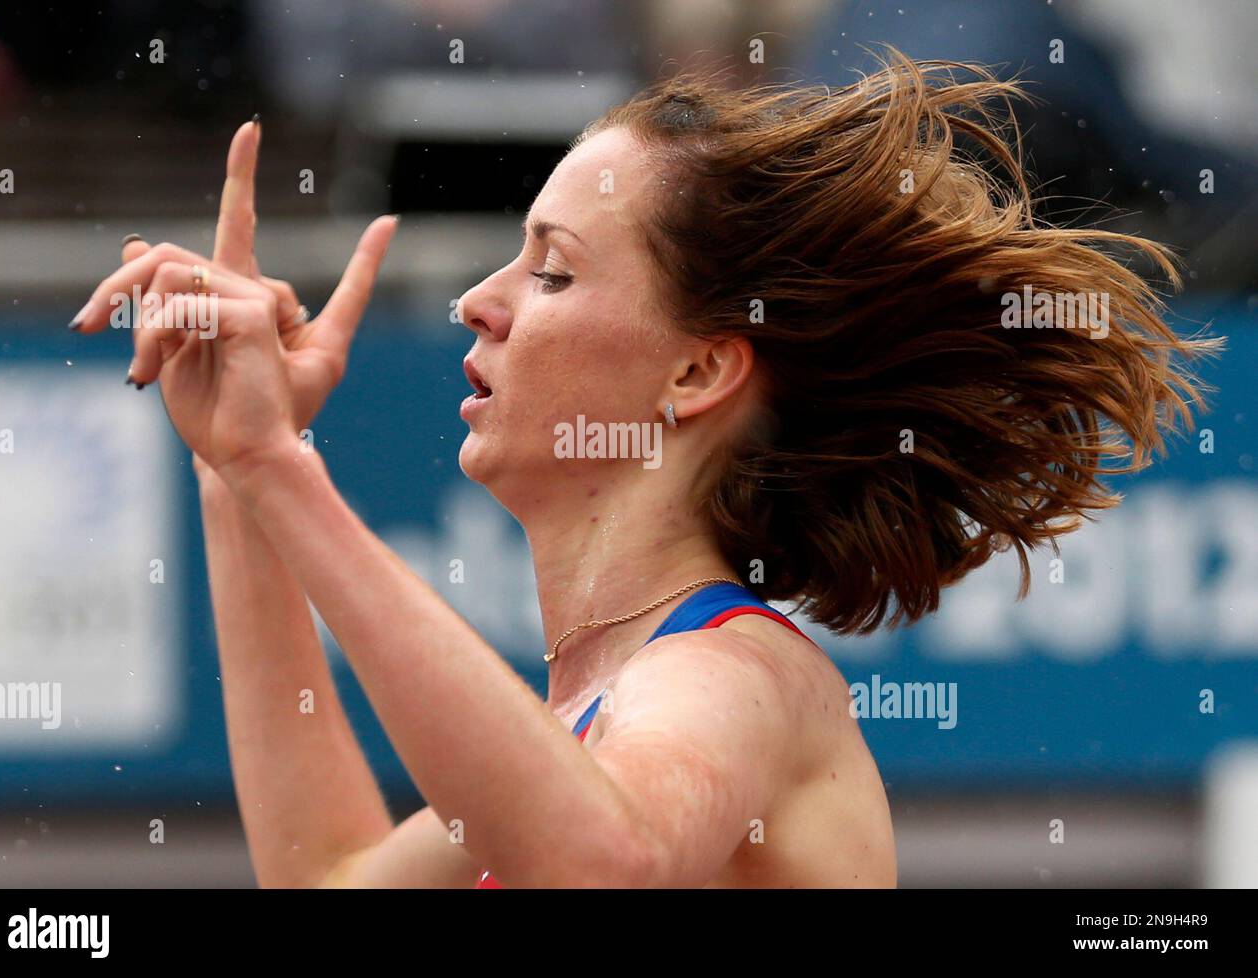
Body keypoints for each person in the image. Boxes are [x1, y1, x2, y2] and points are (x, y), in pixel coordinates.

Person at [69, 51, 1216, 888]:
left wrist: (279, 465)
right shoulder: (589, 718)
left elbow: (601, 859)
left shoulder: (732, 675)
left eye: (552, 272)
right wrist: (233, 473)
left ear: (698, 371)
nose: (478, 300)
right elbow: (332, 876)